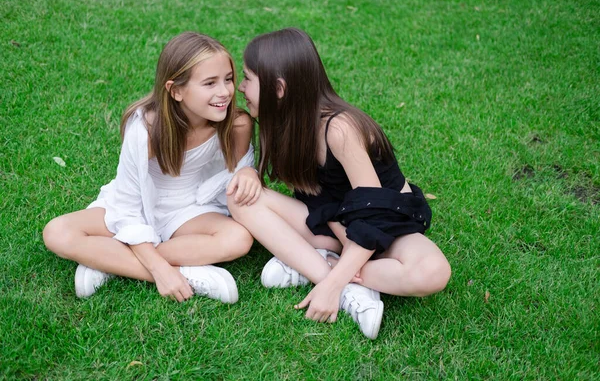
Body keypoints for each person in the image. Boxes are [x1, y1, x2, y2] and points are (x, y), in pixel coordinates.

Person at [230, 28, 451, 339]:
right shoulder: (283, 124)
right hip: (334, 224)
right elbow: (316, 200)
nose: (240, 87)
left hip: (386, 226)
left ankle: (324, 272)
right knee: (239, 198)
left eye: (247, 78)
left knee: (433, 272)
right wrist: (248, 173)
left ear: (278, 88)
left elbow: (374, 214)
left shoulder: (340, 129)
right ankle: (335, 275)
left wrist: (333, 284)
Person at [43, 32, 261, 304]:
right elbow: (126, 205)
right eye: (209, 83)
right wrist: (160, 271)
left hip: (190, 209)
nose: (225, 92)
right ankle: (185, 274)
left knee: (239, 238)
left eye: (228, 79)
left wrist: (248, 172)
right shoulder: (146, 129)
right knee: (56, 232)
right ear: (176, 90)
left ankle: (109, 260)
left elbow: (236, 172)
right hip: (140, 205)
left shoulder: (237, 124)